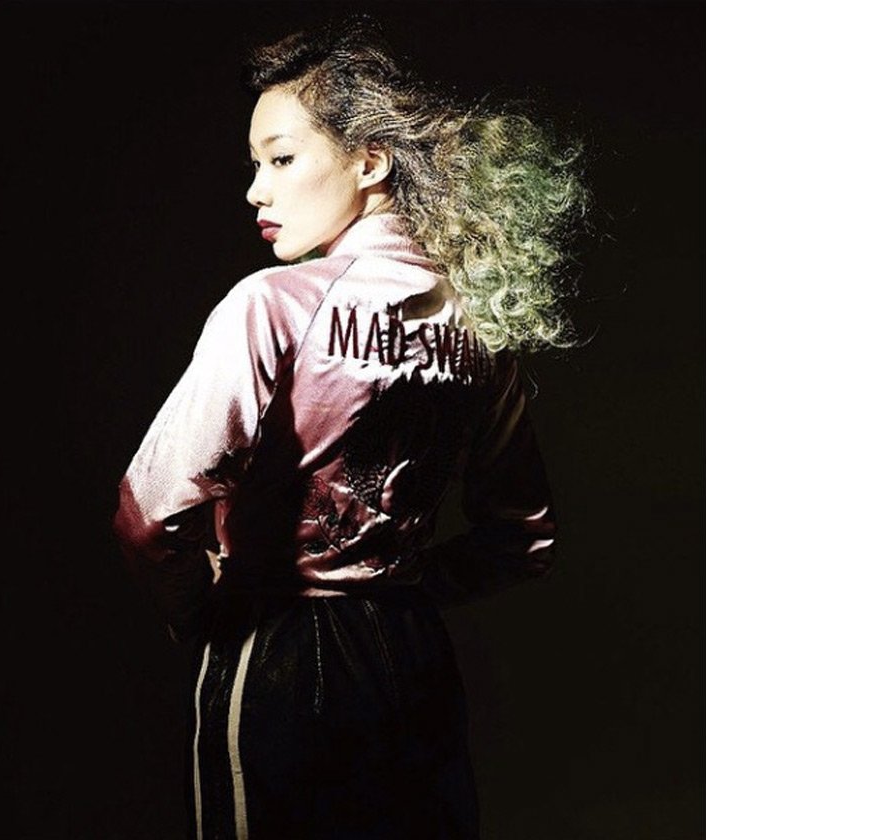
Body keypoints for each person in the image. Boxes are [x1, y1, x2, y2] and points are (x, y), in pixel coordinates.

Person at [112, 15, 588, 840]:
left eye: (281, 159)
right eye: (254, 165)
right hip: (414, 654)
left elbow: (148, 514)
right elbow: (523, 537)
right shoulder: (482, 322)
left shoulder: (271, 304)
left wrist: (202, 612)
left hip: (278, 650)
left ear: (371, 161)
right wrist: (396, 587)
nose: (256, 191)